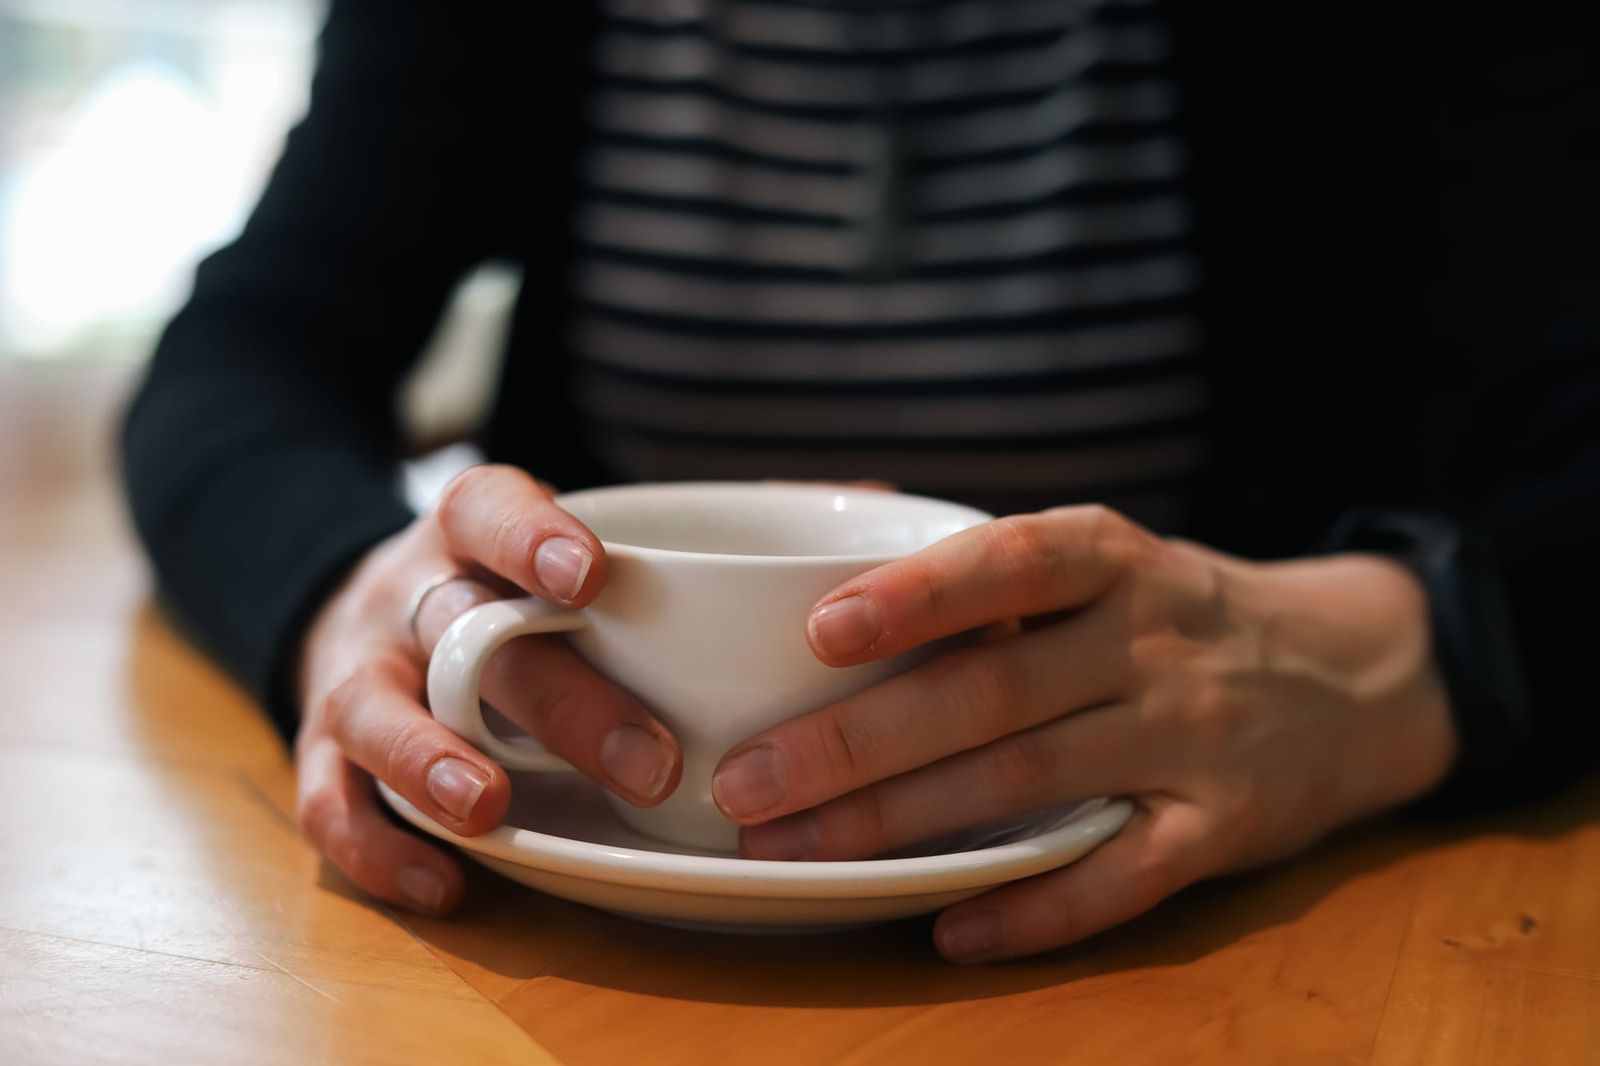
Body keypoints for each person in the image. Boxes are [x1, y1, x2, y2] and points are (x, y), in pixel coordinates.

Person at [122, 0, 1596, 964]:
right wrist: (356, 585)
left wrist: (1396, 652)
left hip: (1217, 922)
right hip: (595, 942)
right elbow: (243, 354)